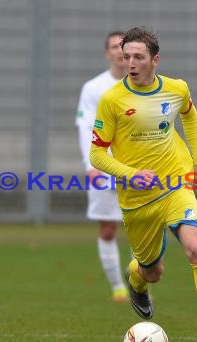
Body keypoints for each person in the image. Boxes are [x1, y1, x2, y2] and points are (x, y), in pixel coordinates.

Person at [90, 27, 197, 342]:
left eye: (137, 56)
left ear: (154, 60)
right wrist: (131, 174)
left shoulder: (176, 89)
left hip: (176, 185)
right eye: (125, 55)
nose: (129, 61)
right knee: (152, 272)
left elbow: (189, 114)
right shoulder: (112, 99)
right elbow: (97, 155)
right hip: (136, 200)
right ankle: (137, 280)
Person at [76, 31, 129, 302]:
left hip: (138, 167)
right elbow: (86, 127)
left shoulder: (145, 86)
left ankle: (140, 286)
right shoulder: (93, 88)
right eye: (114, 47)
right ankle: (118, 286)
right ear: (107, 53)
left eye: (124, 46)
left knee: (142, 227)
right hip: (105, 167)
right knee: (108, 228)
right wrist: (91, 165)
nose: (120, 51)